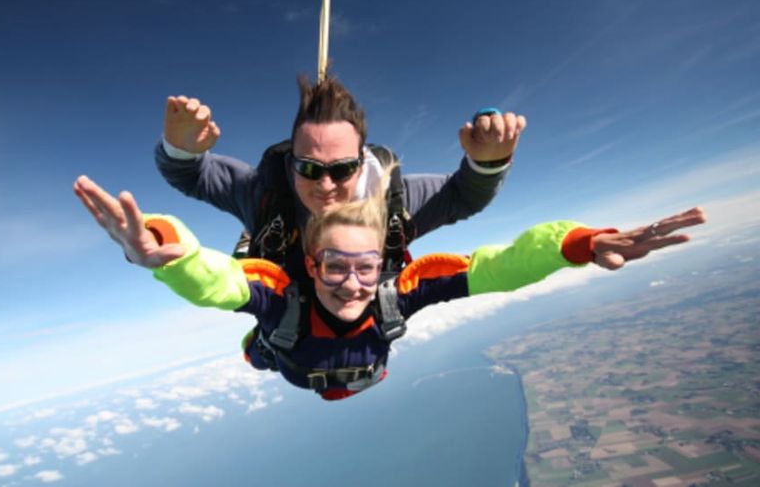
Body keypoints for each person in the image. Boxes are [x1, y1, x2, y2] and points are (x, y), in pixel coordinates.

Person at [73, 173, 706, 401]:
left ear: (383, 266)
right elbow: (219, 281)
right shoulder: (278, 297)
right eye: (335, 267)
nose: (352, 284)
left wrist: (578, 243)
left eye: (366, 267)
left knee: (276, 346)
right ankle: (260, 351)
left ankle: (269, 352)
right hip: (287, 356)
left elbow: (498, 267)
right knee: (259, 348)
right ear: (311, 265)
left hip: (340, 364)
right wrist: (164, 251)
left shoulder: (400, 293)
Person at [155, 73, 527, 279]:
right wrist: (181, 148)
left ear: (362, 161)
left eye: (343, 169)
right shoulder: (266, 195)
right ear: (292, 163)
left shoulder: (391, 199)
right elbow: (193, 176)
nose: (325, 185)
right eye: (309, 168)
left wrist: (488, 162)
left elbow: (462, 197)